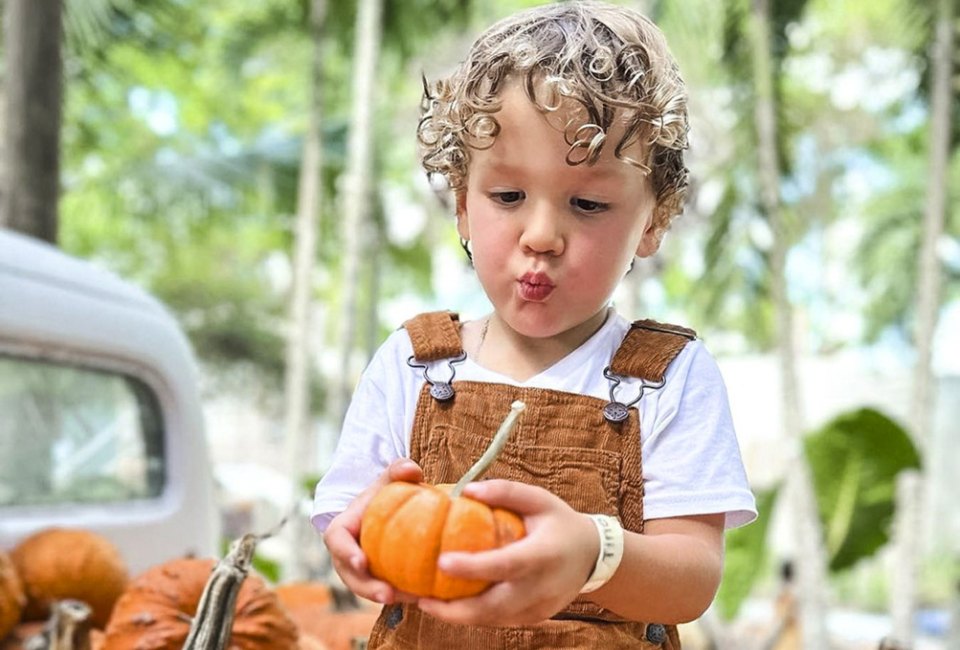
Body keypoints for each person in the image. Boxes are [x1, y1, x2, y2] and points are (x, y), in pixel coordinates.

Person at [313, 2, 757, 648]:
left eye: (588, 203)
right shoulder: (414, 363)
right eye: (509, 197)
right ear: (462, 203)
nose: (542, 236)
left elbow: (691, 579)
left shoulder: (667, 378)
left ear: (653, 222)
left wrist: (593, 551)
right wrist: (357, 545)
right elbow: (347, 524)